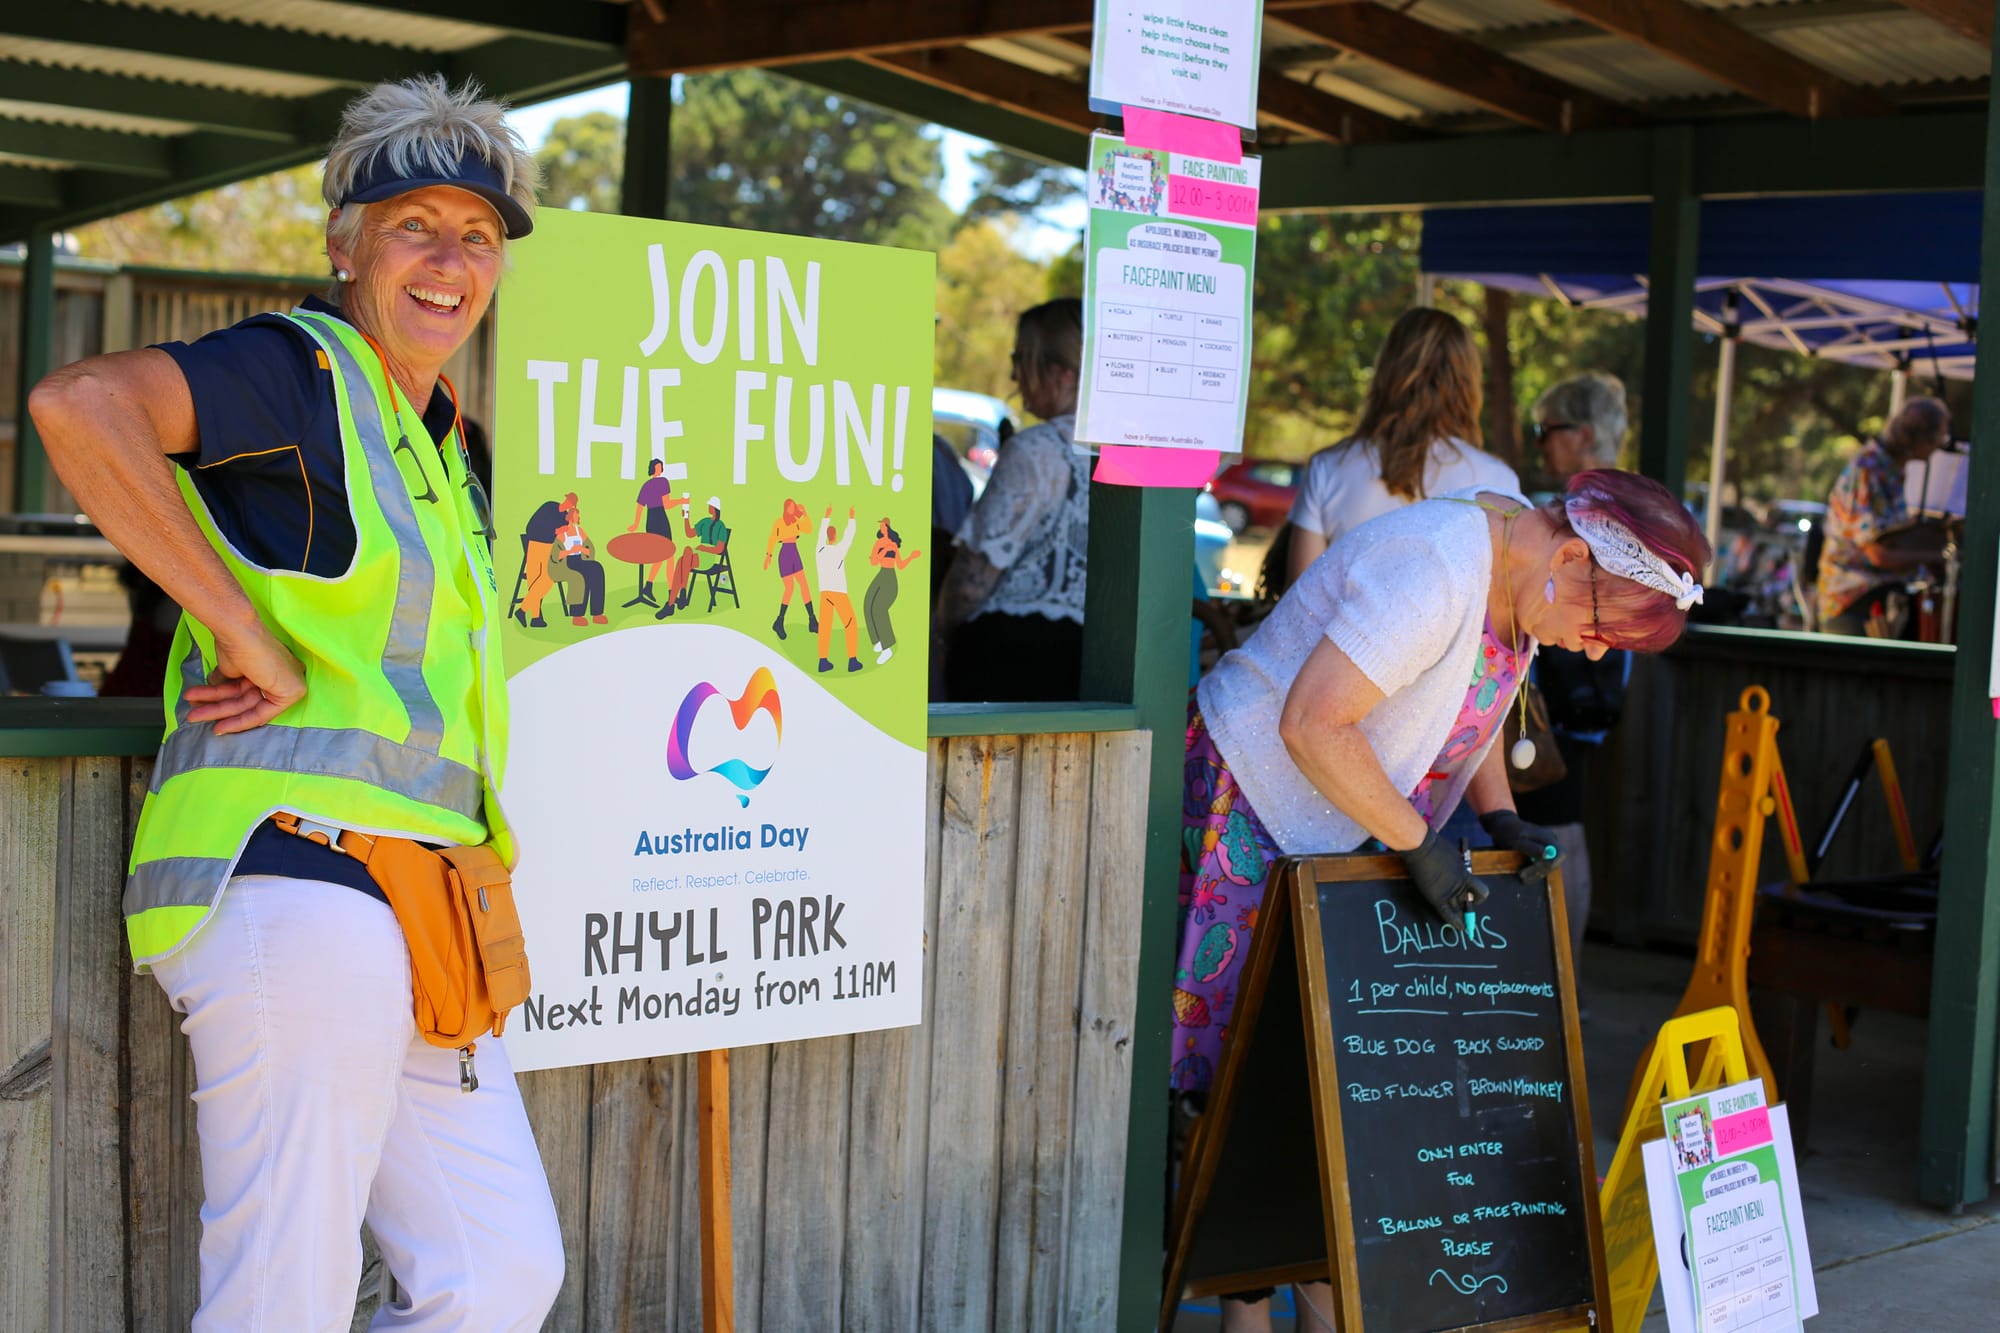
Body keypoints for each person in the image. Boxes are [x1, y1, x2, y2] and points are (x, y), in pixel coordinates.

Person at [27, 75, 563, 1329]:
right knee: (286, 1291)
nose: (449, 261)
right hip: (292, 878)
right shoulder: (294, 369)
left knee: (500, 1272)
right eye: (412, 227)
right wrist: (241, 629)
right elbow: (80, 406)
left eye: (477, 235)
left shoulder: (448, 440)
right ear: (343, 244)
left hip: (424, 903)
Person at [1171, 470, 1708, 1331]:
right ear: (1573, 558)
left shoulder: (1521, 568)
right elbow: (1312, 724)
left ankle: (1325, 1303)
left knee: (1324, 1079)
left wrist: (1497, 813)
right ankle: (1247, 1314)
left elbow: (1469, 696)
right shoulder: (1435, 567)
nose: (1594, 651)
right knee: (1245, 1068)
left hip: (1349, 822)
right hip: (1259, 805)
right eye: (1600, 627)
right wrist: (1417, 841)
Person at [1517, 373, 1635, 969]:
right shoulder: (1625, 503)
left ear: (1584, 435)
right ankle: (1566, 984)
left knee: (1556, 829)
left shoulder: (1587, 509)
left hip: (1561, 696)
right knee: (1562, 824)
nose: (1539, 441)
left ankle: (1564, 984)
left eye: (1548, 429)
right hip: (1590, 696)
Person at [1286, 307, 1521, 585]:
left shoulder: (1329, 467)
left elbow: (1299, 598)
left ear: (1387, 370)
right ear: (1470, 381)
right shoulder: (1497, 482)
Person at [934, 298, 1089, 701]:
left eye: (1021, 359)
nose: (1014, 375)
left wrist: (939, 633)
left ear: (1062, 373)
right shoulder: (1131, 452)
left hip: (1012, 664)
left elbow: (973, 579)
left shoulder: (1037, 449)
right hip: (1093, 669)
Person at [1817, 396, 1953, 637]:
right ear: (1921, 438)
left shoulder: (1889, 469)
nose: (1938, 447)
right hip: (1854, 598)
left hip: (1878, 593)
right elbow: (1878, 554)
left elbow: (1890, 537)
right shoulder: (1869, 470)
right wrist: (1937, 557)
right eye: (1938, 439)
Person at [1528, 371, 1627, 493]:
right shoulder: (1626, 499)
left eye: (1544, 430)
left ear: (1585, 438)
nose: (1538, 442)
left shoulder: (1581, 502)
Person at [627, 457, 689, 602]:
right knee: (669, 556)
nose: (660, 468)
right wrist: (682, 501)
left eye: (661, 466)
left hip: (650, 521)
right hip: (660, 519)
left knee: (661, 556)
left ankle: (648, 586)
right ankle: (671, 592)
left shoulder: (646, 485)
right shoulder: (663, 482)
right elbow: (666, 504)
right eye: (659, 466)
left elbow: (640, 506)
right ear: (655, 468)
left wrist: (636, 523)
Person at [661, 494, 730, 618]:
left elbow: (719, 549)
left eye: (710, 505)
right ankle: (680, 594)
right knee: (684, 557)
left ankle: (673, 602)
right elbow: (689, 533)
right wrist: (686, 518)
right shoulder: (705, 522)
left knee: (683, 559)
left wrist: (704, 548)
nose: (708, 507)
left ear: (714, 508)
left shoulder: (721, 526)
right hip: (697, 554)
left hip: (708, 556)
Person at [864, 518, 923, 665]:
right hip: (881, 574)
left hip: (890, 577)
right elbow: (873, 561)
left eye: (883, 525)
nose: (881, 527)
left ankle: (887, 648)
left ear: (887, 527)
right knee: (867, 604)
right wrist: (883, 550)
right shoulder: (879, 543)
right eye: (881, 525)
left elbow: (900, 565)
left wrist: (911, 557)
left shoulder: (893, 545)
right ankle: (877, 640)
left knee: (879, 609)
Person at [763, 497, 819, 639]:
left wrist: (805, 514)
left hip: (795, 553)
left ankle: (812, 620)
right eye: (789, 507)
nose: (792, 509)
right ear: (785, 508)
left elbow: (809, 529)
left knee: (804, 585)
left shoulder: (796, 521)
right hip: (785, 555)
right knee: (790, 588)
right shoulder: (779, 522)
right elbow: (772, 538)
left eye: (793, 507)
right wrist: (768, 555)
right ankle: (779, 621)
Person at [816, 504, 862, 673]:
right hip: (838, 592)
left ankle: (822, 661)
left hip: (824, 593)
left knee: (825, 626)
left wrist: (826, 517)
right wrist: (851, 518)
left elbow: (821, 534)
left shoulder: (819, 550)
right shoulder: (839, 550)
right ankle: (852, 660)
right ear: (835, 536)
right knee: (850, 623)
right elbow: (849, 537)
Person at [553, 492, 608, 626]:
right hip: (567, 562)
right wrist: (570, 551)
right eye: (577, 515)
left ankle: (597, 613)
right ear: (571, 516)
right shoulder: (562, 533)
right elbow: (556, 555)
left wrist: (584, 550)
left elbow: (590, 548)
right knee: (582, 575)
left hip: (580, 559)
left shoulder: (580, 531)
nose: (579, 517)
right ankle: (577, 614)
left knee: (597, 569)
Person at [518, 494, 566, 626]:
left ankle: (532, 615)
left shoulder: (556, 511)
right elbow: (557, 533)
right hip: (540, 544)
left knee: (538, 580)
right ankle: (528, 613)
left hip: (537, 544)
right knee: (544, 578)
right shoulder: (552, 509)